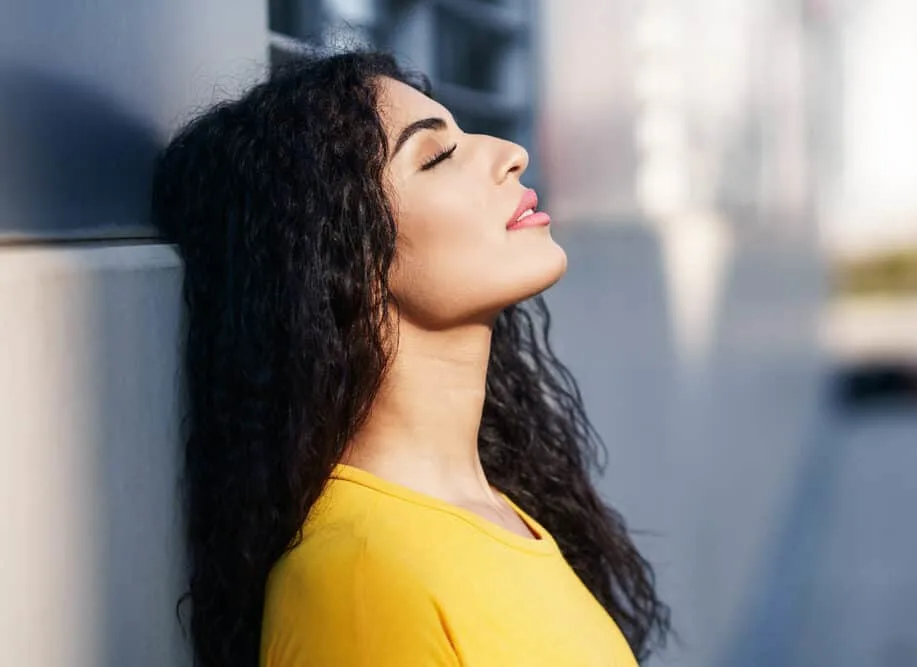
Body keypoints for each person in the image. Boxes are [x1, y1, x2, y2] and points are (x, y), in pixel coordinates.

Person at [152, 50, 670, 667]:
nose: (510, 152)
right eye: (439, 156)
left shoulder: (504, 514)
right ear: (339, 260)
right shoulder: (359, 582)